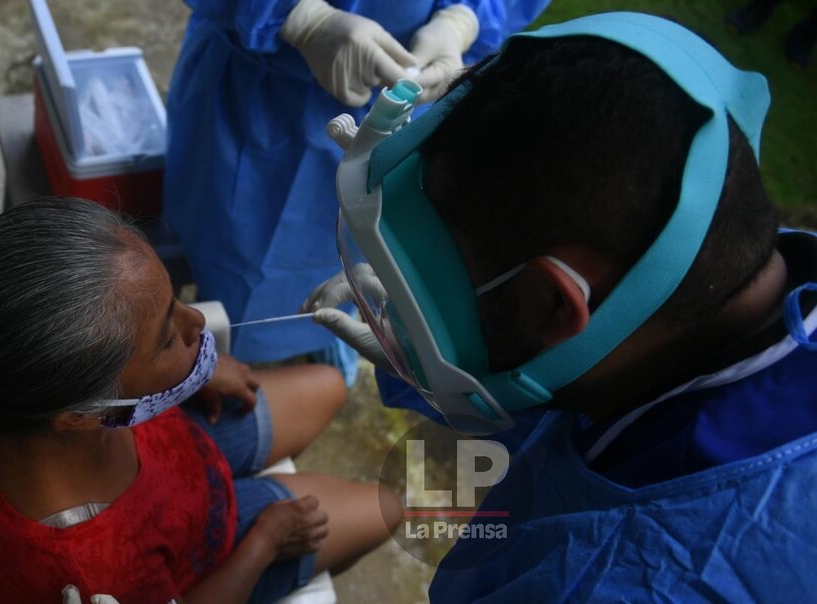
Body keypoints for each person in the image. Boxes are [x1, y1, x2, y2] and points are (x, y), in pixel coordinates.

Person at [305, 12, 817, 601]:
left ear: (555, 303)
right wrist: (425, 355)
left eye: (430, 291)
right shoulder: (681, 326)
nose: (407, 305)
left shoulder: (607, 581)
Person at [0, 197, 402, 604]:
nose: (197, 323)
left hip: (181, 452)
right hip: (214, 550)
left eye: (175, 303)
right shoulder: (90, 568)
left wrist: (198, 367)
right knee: (395, 507)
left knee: (330, 384)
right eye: (168, 338)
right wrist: (265, 541)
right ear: (82, 416)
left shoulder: (0, 352)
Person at [162, 0, 550, 372]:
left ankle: (316, 336)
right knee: (229, 237)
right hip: (258, 92)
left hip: (409, 97)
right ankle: (231, 348)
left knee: (361, 242)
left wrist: (467, 16)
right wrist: (298, 15)